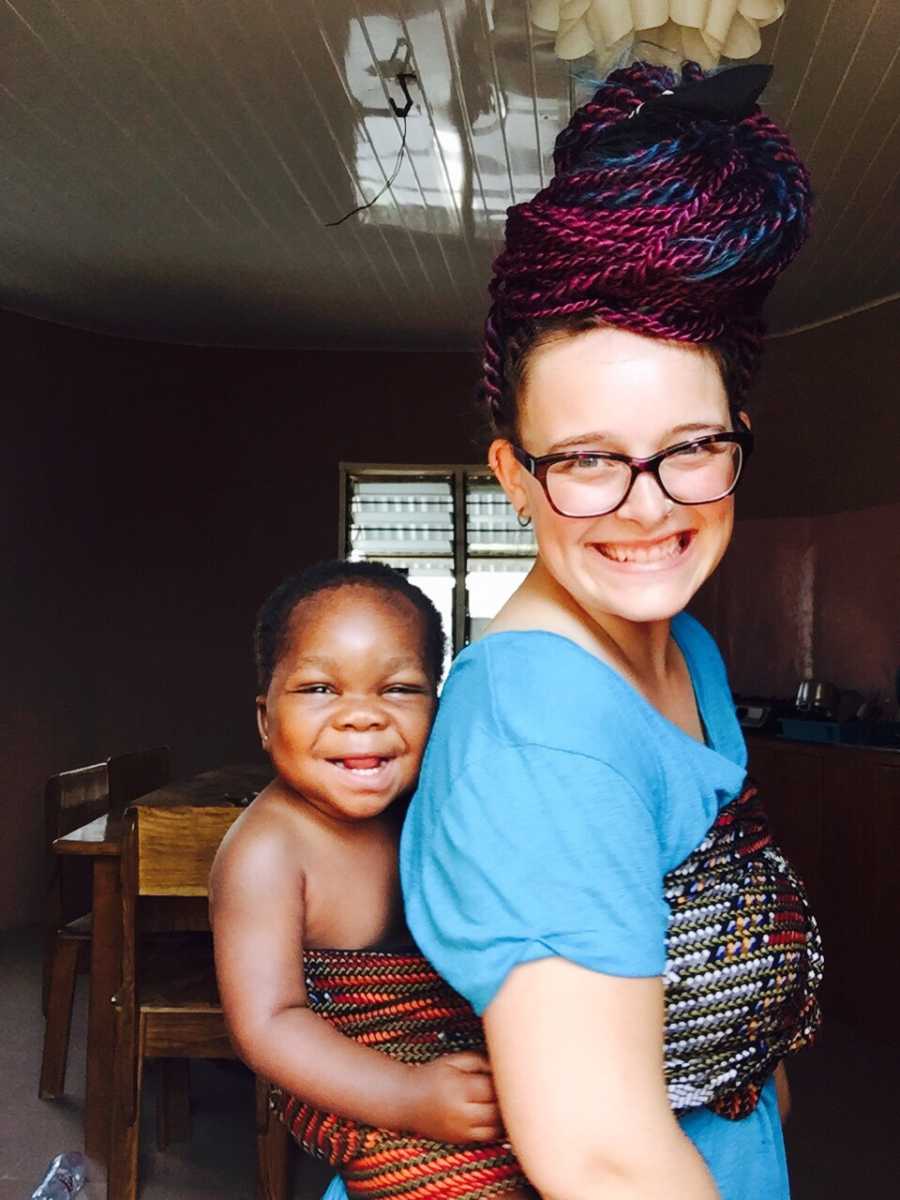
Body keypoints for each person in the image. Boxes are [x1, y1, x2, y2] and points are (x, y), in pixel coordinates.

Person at [392, 60, 822, 1200]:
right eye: (586, 459)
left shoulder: (687, 652)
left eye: (688, 446)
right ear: (516, 479)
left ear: (738, 435)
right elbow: (604, 1160)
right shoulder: (544, 731)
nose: (647, 505)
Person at [209, 560, 533, 1199]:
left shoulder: (432, 807)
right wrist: (407, 1097)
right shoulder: (266, 849)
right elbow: (268, 1025)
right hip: (341, 1068)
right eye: (319, 690)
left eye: (400, 689)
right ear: (265, 719)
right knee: (464, 1181)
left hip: (453, 1036)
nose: (362, 716)